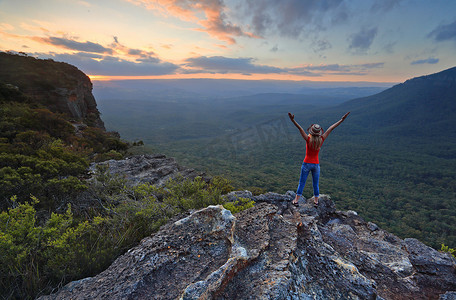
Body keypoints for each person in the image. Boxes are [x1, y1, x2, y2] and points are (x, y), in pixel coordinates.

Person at [288, 112, 350, 206]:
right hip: (316, 165)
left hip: (306, 163)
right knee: (315, 184)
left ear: (311, 132)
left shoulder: (308, 139)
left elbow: (300, 128)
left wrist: (293, 120)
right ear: (319, 132)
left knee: (302, 182)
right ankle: (316, 201)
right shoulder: (321, 139)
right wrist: (342, 120)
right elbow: (331, 128)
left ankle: (296, 201)